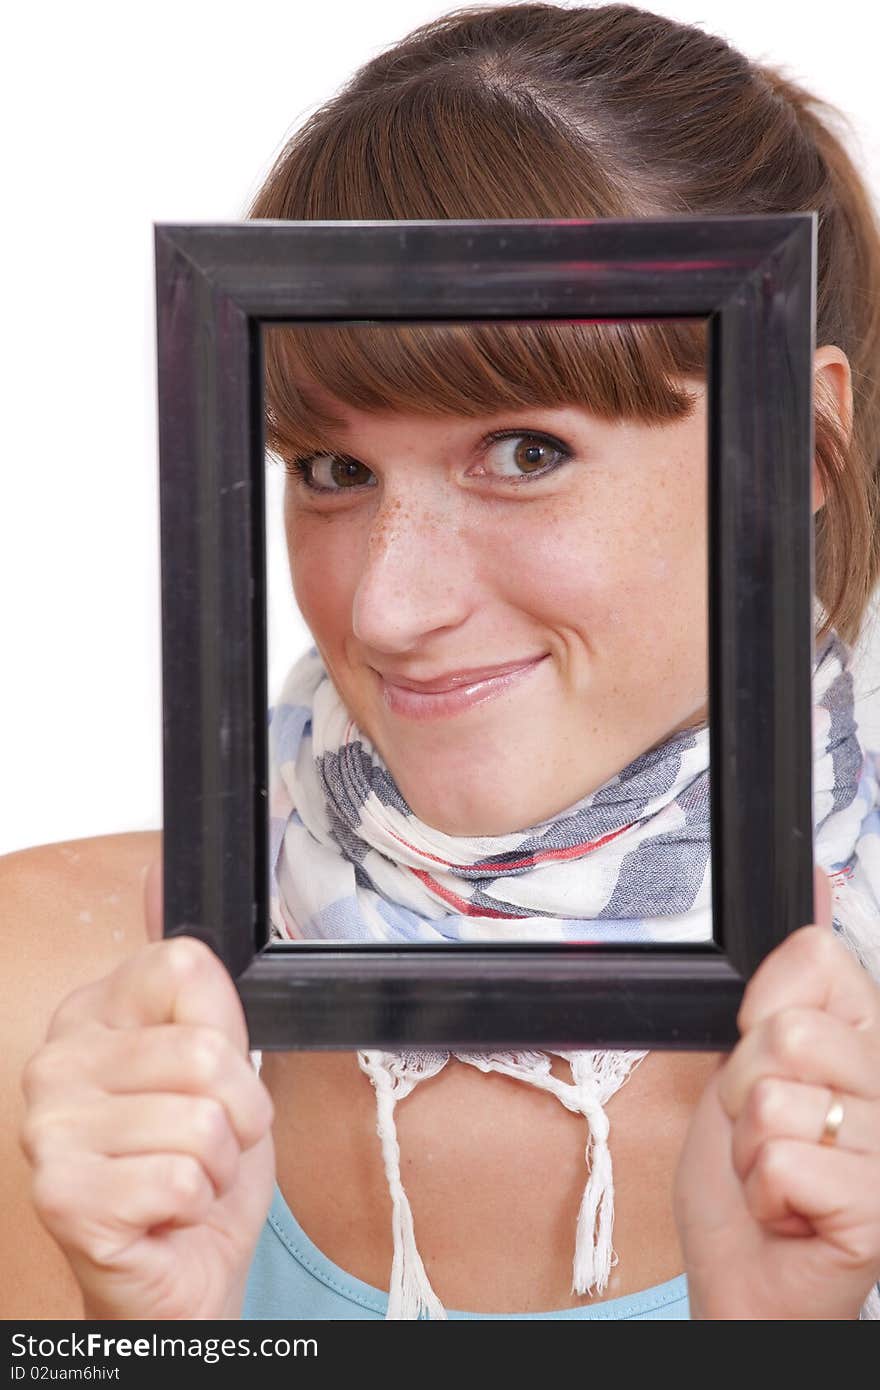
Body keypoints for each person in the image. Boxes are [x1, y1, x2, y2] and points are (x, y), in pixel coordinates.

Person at [4, 1, 880, 1321]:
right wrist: (157, 1341)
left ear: (799, 450)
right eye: (333, 468)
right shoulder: (59, 1010)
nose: (385, 610)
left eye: (526, 451)